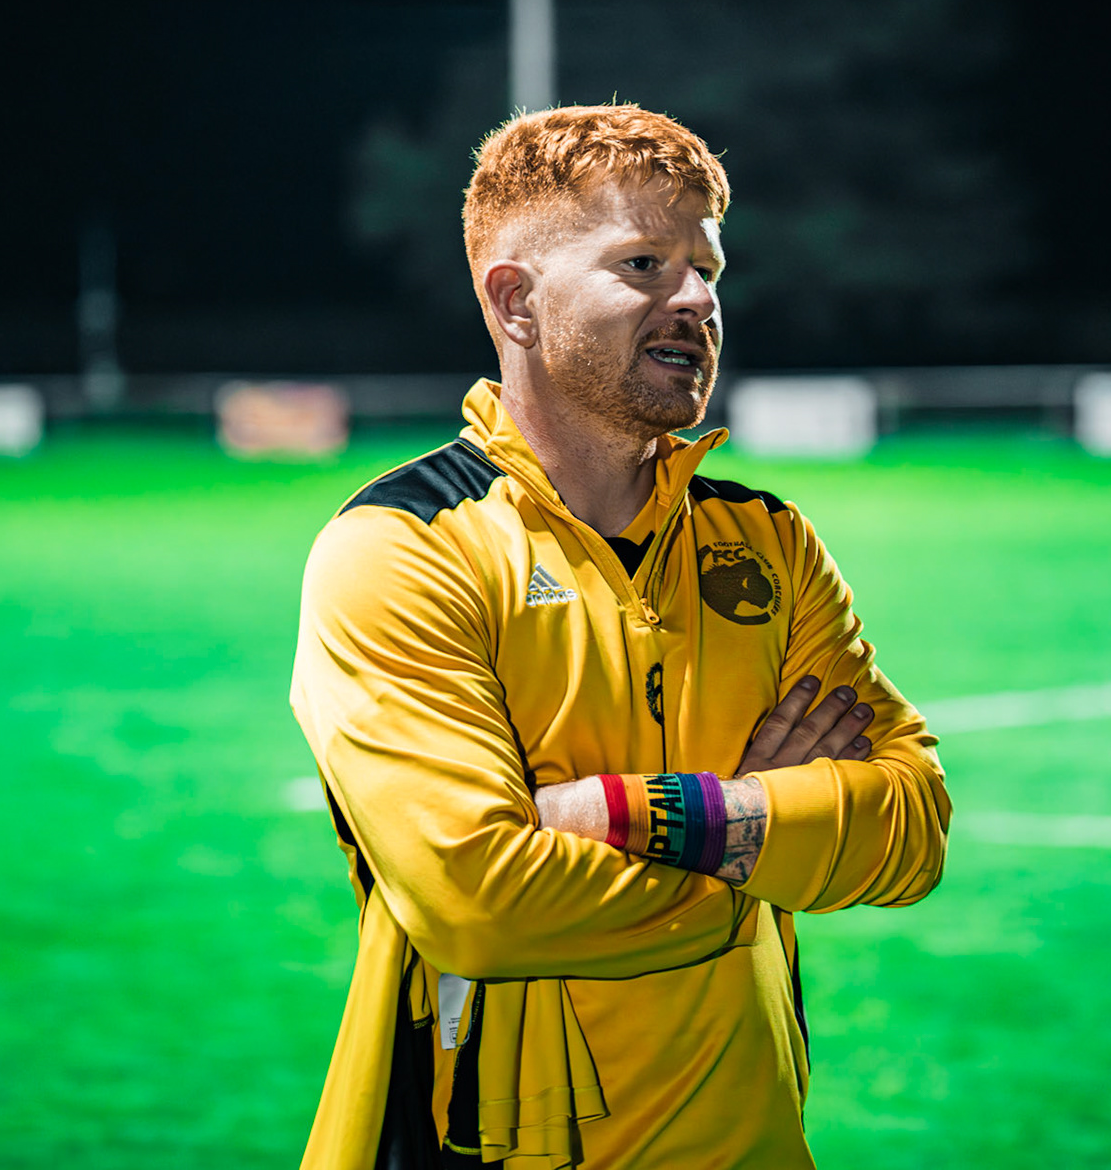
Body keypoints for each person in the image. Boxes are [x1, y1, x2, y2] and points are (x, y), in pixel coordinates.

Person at [290, 104, 950, 1169]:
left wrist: (622, 812)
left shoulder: (767, 543)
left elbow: (912, 825)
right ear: (515, 298)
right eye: (644, 261)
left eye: (707, 267)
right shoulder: (403, 548)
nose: (695, 298)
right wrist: (762, 838)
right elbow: (483, 904)